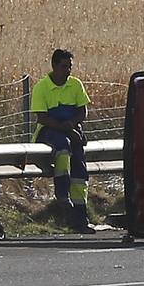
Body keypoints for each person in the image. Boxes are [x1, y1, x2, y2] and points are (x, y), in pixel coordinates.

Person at [31, 49, 94, 233]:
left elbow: (82, 111)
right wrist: (68, 129)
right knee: (63, 147)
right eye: (64, 66)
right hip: (50, 132)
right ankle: (62, 194)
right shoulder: (42, 87)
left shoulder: (75, 85)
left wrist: (72, 125)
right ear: (54, 66)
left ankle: (80, 219)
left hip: (72, 130)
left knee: (80, 172)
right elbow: (42, 117)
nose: (68, 71)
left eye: (70, 67)